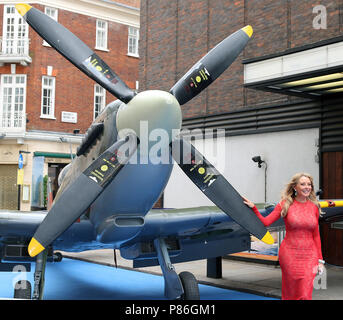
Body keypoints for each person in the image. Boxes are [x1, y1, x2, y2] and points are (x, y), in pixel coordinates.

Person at [243, 172, 324, 300]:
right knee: (291, 293)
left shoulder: (314, 206)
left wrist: (320, 260)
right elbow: (266, 222)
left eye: (309, 184)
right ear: (295, 187)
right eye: (303, 184)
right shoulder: (285, 204)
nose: (307, 187)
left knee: (305, 294)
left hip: (310, 256)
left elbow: (316, 236)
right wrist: (254, 208)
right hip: (290, 255)